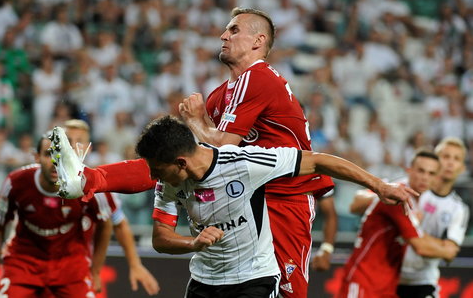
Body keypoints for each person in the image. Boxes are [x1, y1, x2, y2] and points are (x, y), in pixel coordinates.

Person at [132, 115, 418, 297]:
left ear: (181, 163)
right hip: (203, 281)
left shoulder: (242, 163)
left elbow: (318, 160)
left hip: (253, 279)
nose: (154, 177)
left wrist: (379, 185)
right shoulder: (169, 182)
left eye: (158, 169)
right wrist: (192, 243)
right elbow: (161, 239)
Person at [178, 7, 335, 296]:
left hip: (286, 197)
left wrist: (194, 122)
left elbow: (222, 147)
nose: (223, 35)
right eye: (226, 30)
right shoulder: (219, 94)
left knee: (288, 292)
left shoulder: (258, 77)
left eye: (234, 30)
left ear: (257, 41)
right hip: (248, 199)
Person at [0, 131, 115, 297]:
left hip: (70, 265)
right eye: (48, 154)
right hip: (24, 262)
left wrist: (96, 271)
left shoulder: (88, 183)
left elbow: (106, 224)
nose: (56, 161)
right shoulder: (15, 182)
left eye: (61, 154)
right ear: (36, 157)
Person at [350, 138, 470, 298]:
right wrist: (383, 199)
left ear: (462, 168)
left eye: (456, 159)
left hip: (422, 280)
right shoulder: (405, 187)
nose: (449, 163)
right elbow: (356, 204)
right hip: (391, 277)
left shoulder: (458, 208)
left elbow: (450, 252)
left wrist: (414, 232)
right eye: (445, 156)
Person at [63, 119, 160, 295]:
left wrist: (134, 264)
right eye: (68, 140)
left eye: (79, 141)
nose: (72, 147)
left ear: (88, 148)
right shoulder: (31, 179)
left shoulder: (98, 189)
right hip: (32, 265)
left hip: (74, 271)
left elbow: (116, 223)